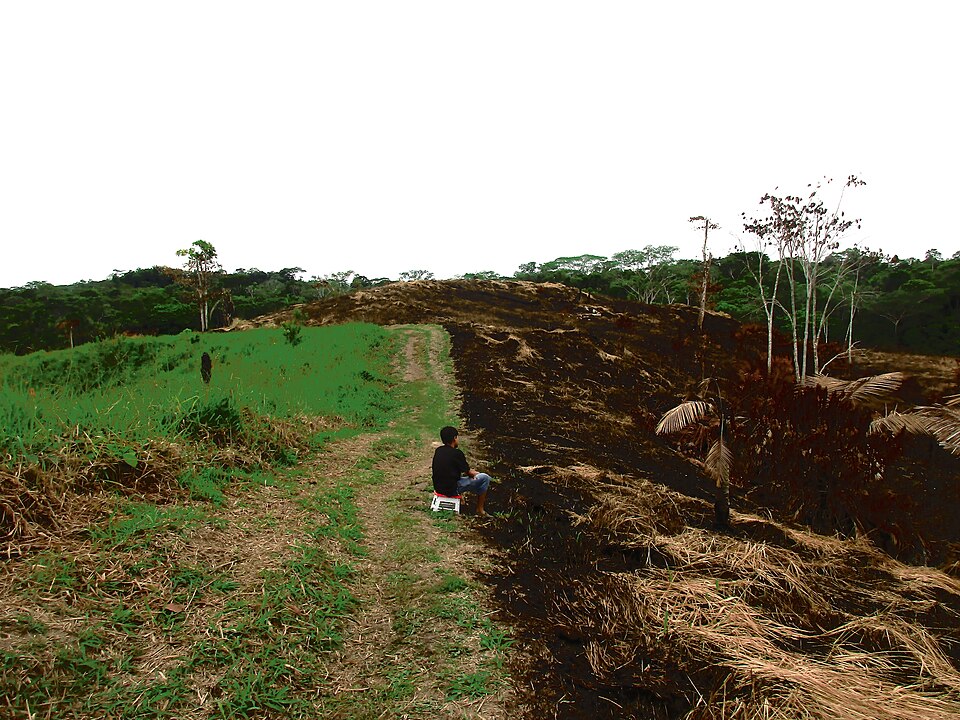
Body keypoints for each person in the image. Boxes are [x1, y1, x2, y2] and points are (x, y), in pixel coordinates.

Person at [432, 426, 491, 517]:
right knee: (485, 478)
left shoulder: (438, 450)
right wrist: (476, 473)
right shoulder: (457, 453)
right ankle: (480, 509)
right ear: (454, 438)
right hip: (451, 489)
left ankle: (462, 499)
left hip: (438, 487)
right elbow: (468, 473)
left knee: (454, 475)